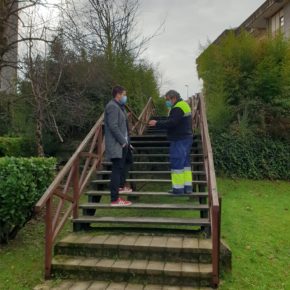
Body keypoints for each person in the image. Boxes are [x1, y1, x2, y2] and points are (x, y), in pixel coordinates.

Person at [149, 90, 193, 194]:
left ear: (173, 98)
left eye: (167, 100)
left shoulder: (177, 107)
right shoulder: (184, 105)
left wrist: (157, 123)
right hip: (186, 138)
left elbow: (172, 122)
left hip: (179, 139)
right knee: (185, 164)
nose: (167, 102)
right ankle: (187, 188)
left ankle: (177, 189)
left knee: (177, 163)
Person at [104, 85, 133, 206]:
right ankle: (115, 199)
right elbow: (113, 126)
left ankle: (121, 186)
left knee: (128, 161)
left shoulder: (120, 107)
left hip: (124, 143)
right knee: (116, 169)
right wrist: (123, 141)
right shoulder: (112, 106)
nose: (125, 97)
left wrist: (128, 142)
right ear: (118, 94)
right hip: (117, 144)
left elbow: (123, 127)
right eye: (124, 94)